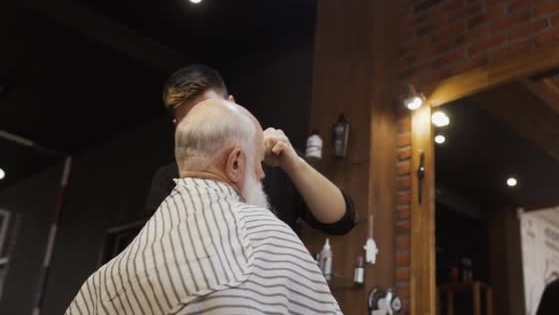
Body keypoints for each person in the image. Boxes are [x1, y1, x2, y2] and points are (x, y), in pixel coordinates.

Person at [66, 100, 342, 314]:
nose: (262, 174)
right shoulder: (262, 236)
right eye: (257, 162)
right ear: (235, 163)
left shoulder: (103, 281)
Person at [146, 64, 356, 235]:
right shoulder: (169, 180)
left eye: (213, 112)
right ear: (178, 127)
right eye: (192, 119)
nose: (205, 125)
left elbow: (341, 221)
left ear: (232, 105)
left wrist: (294, 164)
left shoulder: (277, 162)